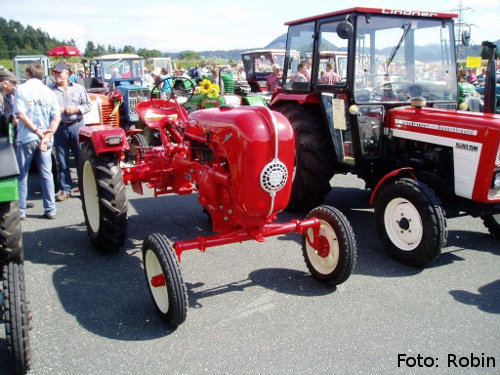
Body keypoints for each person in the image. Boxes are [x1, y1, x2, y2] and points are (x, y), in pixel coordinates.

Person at [14, 63, 61, 220]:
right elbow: (56, 117)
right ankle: (50, 209)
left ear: (28, 73)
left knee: (22, 174)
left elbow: (20, 114)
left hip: (27, 137)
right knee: (46, 173)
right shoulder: (49, 92)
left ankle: (21, 211)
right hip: (46, 139)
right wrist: (47, 135)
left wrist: (36, 130)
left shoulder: (21, 89)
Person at [50, 61, 91, 202]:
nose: (57, 76)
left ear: (67, 73)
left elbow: (88, 105)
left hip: (76, 125)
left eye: (59, 73)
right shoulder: (51, 91)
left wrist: (76, 109)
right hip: (60, 127)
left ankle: (84, 187)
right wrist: (57, 111)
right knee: (62, 160)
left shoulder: (78, 88)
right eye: (55, 73)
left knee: (81, 157)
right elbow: (47, 108)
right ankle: (66, 189)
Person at [0, 69, 19, 135]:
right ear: (5, 84)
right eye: (14, 83)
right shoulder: (1, 97)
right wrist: (11, 117)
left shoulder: (13, 96)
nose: (17, 86)